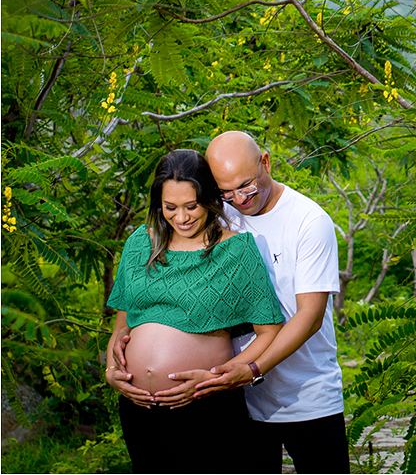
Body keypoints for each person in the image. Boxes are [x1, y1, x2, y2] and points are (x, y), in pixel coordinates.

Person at [104, 149, 284, 474]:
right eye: (170, 207)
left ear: (210, 198)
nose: (182, 217)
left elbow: (269, 332)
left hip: (205, 404)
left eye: (192, 206)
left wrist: (220, 378)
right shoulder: (138, 244)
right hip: (138, 406)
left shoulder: (236, 250)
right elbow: (123, 323)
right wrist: (110, 369)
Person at [186, 131, 348, 473]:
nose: (239, 199)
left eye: (246, 186)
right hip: (242, 403)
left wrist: (252, 370)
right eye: (225, 191)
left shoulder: (309, 221)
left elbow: (310, 316)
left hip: (309, 397)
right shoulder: (220, 218)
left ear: (266, 162)